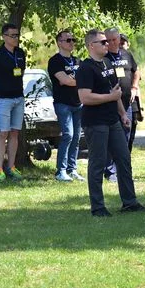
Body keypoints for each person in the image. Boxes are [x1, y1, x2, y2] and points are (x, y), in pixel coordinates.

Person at [76, 28, 145, 217]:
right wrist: (110, 97)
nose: (107, 44)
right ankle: (98, 207)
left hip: (113, 119)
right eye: (103, 42)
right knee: (97, 163)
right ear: (91, 46)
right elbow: (85, 97)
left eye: (107, 41)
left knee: (123, 159)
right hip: (95, 122)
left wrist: (123, 114)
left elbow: (115, 91)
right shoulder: (85, 68)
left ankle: (130, 202)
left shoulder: (107, 63)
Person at [0, 22, 27, 182]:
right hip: (3, 99)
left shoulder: (20, 53)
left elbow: (21, 73)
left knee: (15, 132)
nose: (16, 38)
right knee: (2, 133)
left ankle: (11, 166)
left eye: (17, 35)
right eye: (12, 35)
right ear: (4, 37)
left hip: (18, 98)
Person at [47, 29, 83, 182]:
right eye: (68, 40)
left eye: (73, 40)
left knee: (76, 137)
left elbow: (82, 80)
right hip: (63, 104)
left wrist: (72, 80)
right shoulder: (55, 61)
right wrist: (73, 80)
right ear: (59, 43)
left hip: (78, 103)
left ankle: (72, 169)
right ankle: (60, 171)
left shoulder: (78, 61)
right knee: (68, 135)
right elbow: (65, 81)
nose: (72, 42)